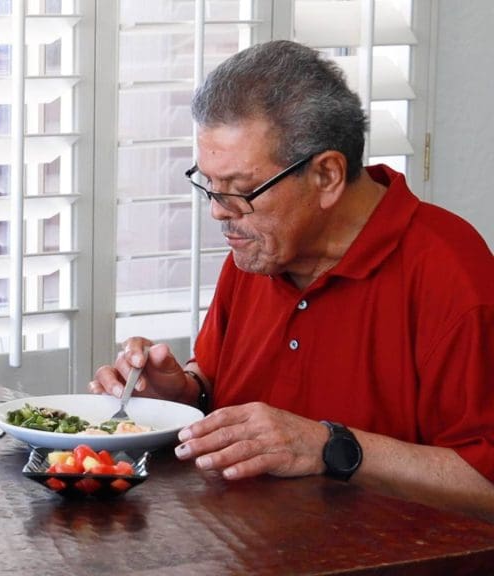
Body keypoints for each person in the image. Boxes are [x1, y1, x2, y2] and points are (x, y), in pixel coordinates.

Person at [90, 40, 494, 520]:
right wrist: (182, 395)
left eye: (242, 191)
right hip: (243, 547)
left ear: (326, 175)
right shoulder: (259, 250)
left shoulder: (453, 276)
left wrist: (329, 446)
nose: (219, 211)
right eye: (209, 185)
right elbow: (222, 388)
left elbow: (484, 484)